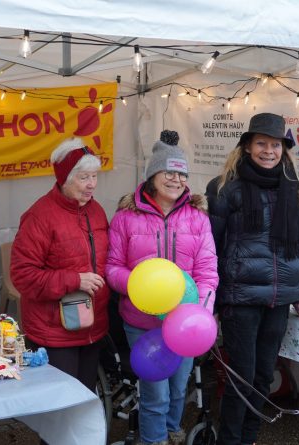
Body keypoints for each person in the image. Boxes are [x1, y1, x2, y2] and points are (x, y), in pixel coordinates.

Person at [205, 112, 299, 445]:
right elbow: (210, 247)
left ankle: (250, 438)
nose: (268, 151)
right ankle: (229, 440)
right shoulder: (225, 186)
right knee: (240, 376)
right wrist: (211, 299)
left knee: (263, 374)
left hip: (280, 298)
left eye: (275, 145)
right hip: (239, 296)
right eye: (261, 144)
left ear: (284, 149)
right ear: (247, 146)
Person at [107, 130, 219, 445]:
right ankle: (153, 440)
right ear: (153, 175)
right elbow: (112, 267)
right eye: (169, 172)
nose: (176, 179)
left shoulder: (198, 217)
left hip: (185, 323)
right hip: (142, 322)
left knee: (178, 387)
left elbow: (207, 271)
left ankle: (170, 428)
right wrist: (138, 285)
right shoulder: (126, 217)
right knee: (155, 391)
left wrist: (202, 310)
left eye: (182, 173)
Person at [10, 137, 109, 393]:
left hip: (92, 327)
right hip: (54, 334)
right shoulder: (39, 216)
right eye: (84, 178)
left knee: (84, 401)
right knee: (59, 409)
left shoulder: (96, 211)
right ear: (65, 178)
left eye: (95, 176)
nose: (91, 185)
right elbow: (23, 276)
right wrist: (75, 280)